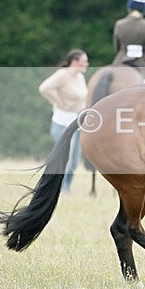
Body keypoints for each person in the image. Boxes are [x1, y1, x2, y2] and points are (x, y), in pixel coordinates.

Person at [38, 49, 89, 193]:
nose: (87, 64)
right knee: (65, 157)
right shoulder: (62, 75)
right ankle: (61, 188)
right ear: (74, 62)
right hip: (62, 122)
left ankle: (67, 185)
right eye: (84, 61)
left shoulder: (80, 77)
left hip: (77, 123)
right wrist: (58, 101)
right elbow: (44, 88)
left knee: (74, 159)